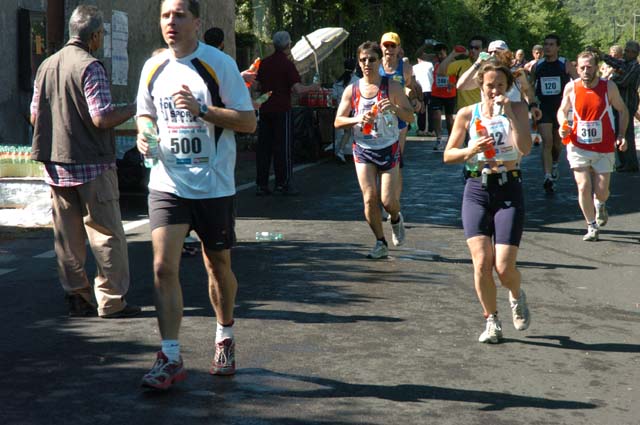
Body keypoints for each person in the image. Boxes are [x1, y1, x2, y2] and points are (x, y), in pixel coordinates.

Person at [135, 0, 256, 390]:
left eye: (179, 15)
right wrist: (144, 133)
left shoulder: (217, 65)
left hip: (213, 184)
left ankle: (224, 335)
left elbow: (249, 121)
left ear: (197, 23)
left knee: (217, 265)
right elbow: (145, 112)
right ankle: (170, 356)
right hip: (167, 182)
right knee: (161, 267)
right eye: (165, 16)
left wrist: (204, 110)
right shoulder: (153, 67)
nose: (171, 22)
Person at [29, 5, 140, 319]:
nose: (101, 40)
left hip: (55, 164)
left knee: (68, 238)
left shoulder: (46, 66)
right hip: (91, 164)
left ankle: (77, 296)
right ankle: (111, 300)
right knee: (105, 234)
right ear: (94, 36)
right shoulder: (91, 66)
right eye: (101, 35)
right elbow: (102, 116)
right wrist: (134, 107)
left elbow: (35, 115)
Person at [443, 59, 532, 344]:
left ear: (508, 87)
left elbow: (525, 149)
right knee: (482, 262)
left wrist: (510, 114)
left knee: (504, 268)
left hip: (509, 189)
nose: (494, 91)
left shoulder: (517, 109)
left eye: (500, 85)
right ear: (481, 85)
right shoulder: (468, 114)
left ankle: (516, 294)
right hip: (477, 189)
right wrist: (469, 150)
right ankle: (492, 320)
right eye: (490, 85)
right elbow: (448, 155)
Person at [334, 41, 414, 259]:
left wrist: (395, 108)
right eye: (363, 60)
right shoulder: (353, 89)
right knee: (369, 198)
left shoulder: (392, 87)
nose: (367, 63)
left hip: (388, 147)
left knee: (388, 202)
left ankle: (396, 220)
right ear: (359, 63)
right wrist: (358, 118)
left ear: (379, 61)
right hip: (363, 149)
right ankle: (380, 242)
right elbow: (338, 121)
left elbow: (410, 116)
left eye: (372, 59)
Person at [557, 51, 629, 241]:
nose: (586, 71)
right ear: (577, 68)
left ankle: (600, 204)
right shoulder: (571, 87)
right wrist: (563, 125)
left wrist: (621, 135)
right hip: (577, 144)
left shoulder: (608, 87)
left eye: (589, 67)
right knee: (583, 187)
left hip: (604, 146)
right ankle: (591, 226)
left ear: (596, 68)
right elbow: (562, 110)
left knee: (602, 190)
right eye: (582, 67)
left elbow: (622, 110)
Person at [254, 30, 319, 196]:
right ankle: (283, 182)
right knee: (283, 147)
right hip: (282, 109)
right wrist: (313, 87)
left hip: (265, 108)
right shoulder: (287, 65)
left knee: (264, 148)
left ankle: (261, 184)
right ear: (288, 45)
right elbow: (297, 90)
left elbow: (256, 86)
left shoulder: (265, 63)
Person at [530, 34, 578, 193]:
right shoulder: (538, 66)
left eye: (551, 44)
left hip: (561, 109)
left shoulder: (565, 64)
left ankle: (555, 163)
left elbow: (578, 82)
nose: (548, 47)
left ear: (558, 47)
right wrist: (531, 104)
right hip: (544, 108)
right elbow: (530, 86)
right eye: (546, 44)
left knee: (557, 144)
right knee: (547, 142)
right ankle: (548, 176)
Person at [600, 40, 640, 172]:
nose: (626, 53)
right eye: (626, 50)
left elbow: (623, 81)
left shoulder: (635, 66)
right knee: (618, 130)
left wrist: (610, 80)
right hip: (619, 101)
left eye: (629, 51)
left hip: (628, 101)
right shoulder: (625, 63)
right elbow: (614, 62)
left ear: (635, 53)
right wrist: (599, 53)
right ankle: (623, 162)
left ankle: (630, 163)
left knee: (626, 132)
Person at [437, 35, 488, 111]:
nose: (473, 50)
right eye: (471, 47)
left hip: (481, 111)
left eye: (476, 48)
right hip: (463, 112)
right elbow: (440, 72)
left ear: (484, 50)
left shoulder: (489, 66)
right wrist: (452, 54)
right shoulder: (461, 64)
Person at [329, 58, 360, 162]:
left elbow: (333, 95)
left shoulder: (338, 81)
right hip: (351, 111)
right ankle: (341, 151)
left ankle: (340, 150)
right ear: (355, 67)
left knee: (342, 132)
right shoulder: (357, 81)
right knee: (349, 132)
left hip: (339, 111)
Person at [430, 43, 456, 149]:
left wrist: (454, 84)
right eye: (438, 54)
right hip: (436, 93)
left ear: (446, 52)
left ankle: (451, 140)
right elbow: (419, 55)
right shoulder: (435, 61)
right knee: (436, 115)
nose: (440, 56)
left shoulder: (453, 62)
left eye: (441, 53)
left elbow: (460, 76)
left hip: (450, 94)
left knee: (449, 118)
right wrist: (425, 45)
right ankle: (439, 139)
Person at [412, 46, 434, 137]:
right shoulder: (430, 64)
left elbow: (413, 79)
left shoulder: (414, 67)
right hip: (430, 89)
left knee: (421, 110)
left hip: (419, 89)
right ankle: (430, 130)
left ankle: (421, 129)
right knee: (431, 110)